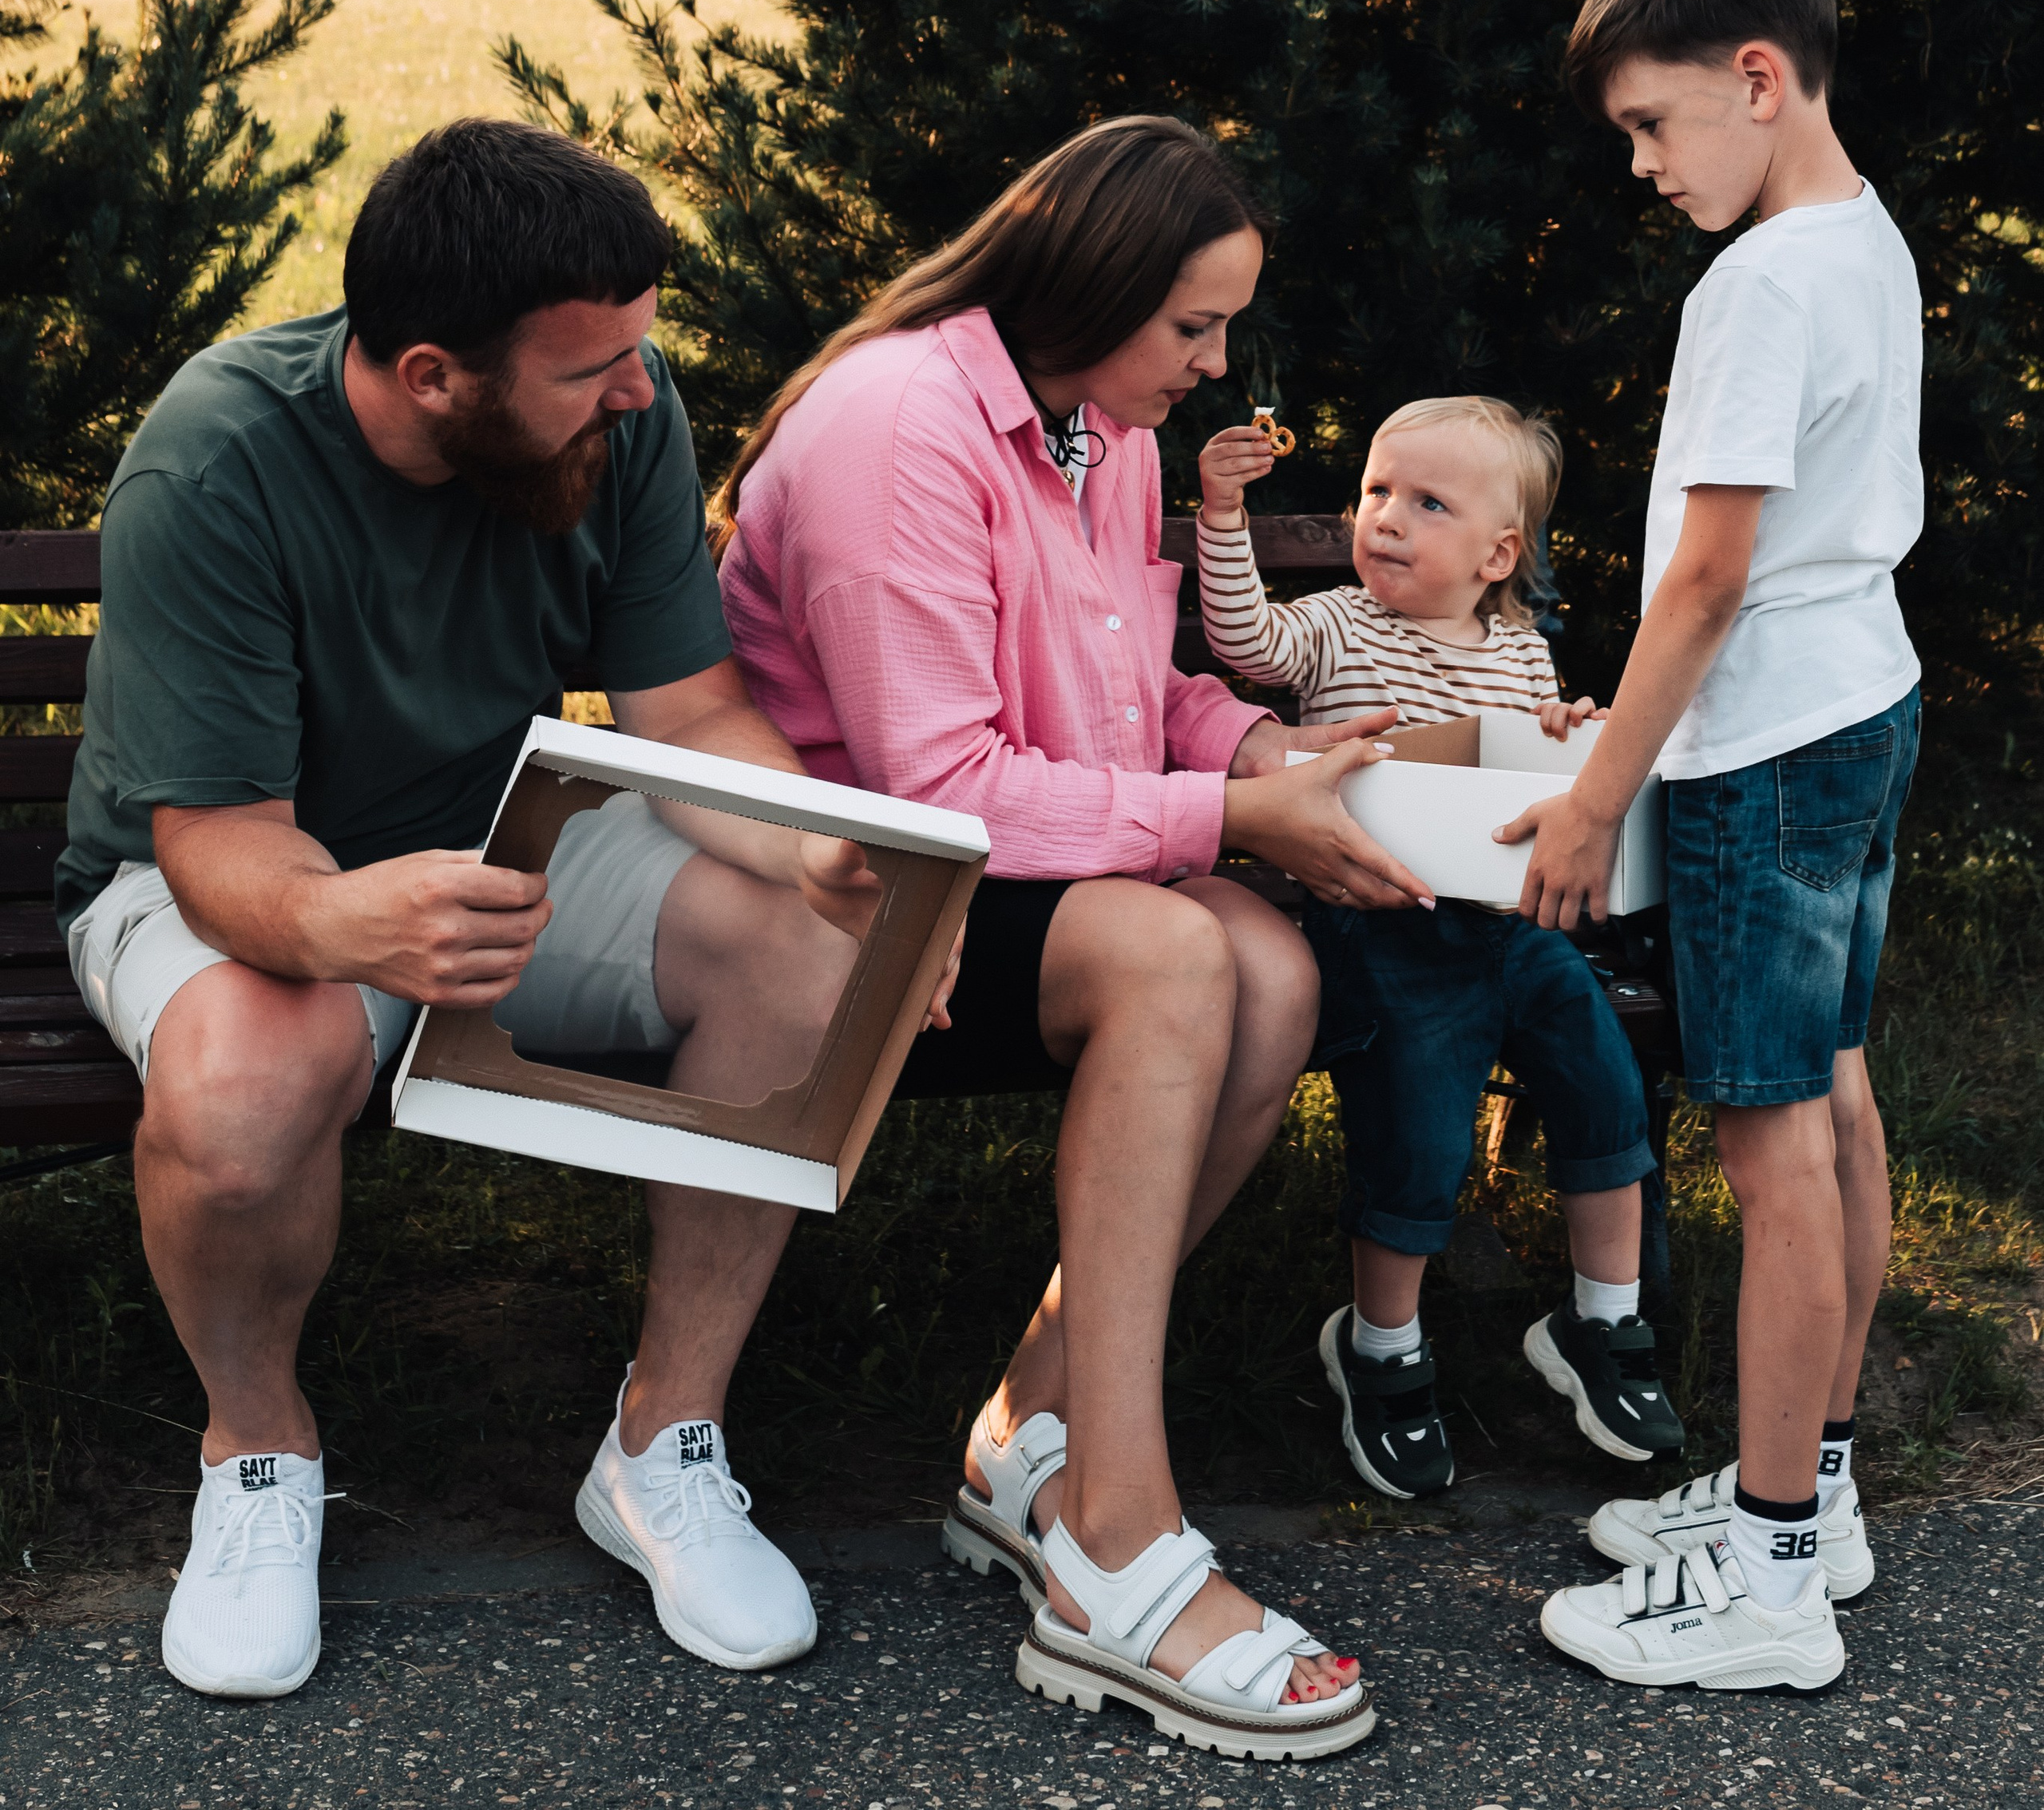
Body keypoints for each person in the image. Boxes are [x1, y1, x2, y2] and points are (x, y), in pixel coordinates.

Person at [61, 121, 902, 1700]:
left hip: (511, 843)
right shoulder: (219, 456)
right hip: (240, 867)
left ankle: (664, 1440)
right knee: (249, 1086)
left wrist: (809, 850)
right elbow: (218, 843)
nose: (640, 392)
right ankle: (255, 1452)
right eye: (593, 368)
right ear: (436, 372)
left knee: (804, 949)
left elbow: (688, 710)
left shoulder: (613, 416)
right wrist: (342, 931)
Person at [717, 117, 1428, 1760]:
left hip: (1013, 868)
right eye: (1192, 325)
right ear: (1091, 285)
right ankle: (1112, 1538)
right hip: (853, 902)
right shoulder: (903, 425)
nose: (1216, 361)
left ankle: (1025, 1429)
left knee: (1271, 966)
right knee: (1189, 954)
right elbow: (938, 787)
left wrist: (1254, 753)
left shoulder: (1088, 426)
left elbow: (1132, 684)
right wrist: (1227, 824)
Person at [1506, 0, 1922, 1695]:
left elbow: (1704, 581)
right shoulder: (1858, 229)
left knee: (1765, 1145)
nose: (1642, 162)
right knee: (1827, 1094)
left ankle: (1762, 1585)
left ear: (1756, 81)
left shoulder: (1753, 284)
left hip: (1762, 747)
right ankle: (1806, 1495)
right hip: (1860, 702)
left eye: (1653, 123)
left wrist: (1598, 794)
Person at [1196, 394, 1684, 1499]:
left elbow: (1536, 765)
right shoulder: (1335, 624)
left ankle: (1604, 1324)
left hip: (1510, 928)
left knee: (1603, 1078)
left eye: (1427, 502)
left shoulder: (1517, 653)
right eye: (1376, 492)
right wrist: (1224, 512)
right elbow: (1243, 639)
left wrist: (1570, 731)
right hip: (1383, 925)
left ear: (1497, 551)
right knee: (1419, 1131)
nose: (1386, 518)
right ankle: (1381, 1345)